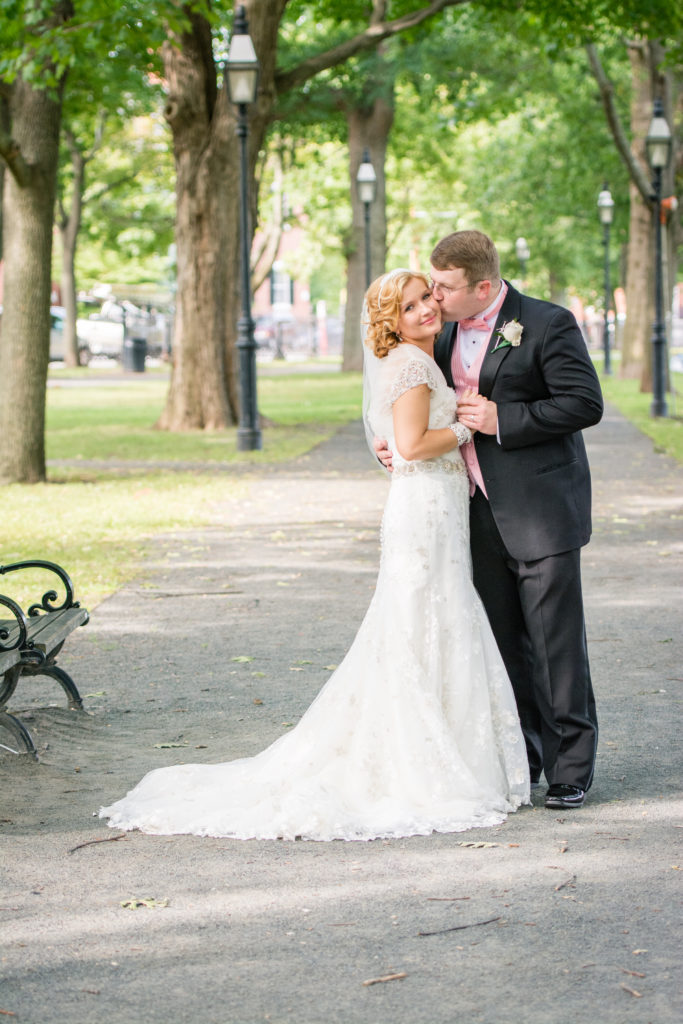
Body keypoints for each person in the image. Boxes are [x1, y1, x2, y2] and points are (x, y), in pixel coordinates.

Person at [99, 270, 529, 841]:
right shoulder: (411, 364)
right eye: (410, 306)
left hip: (438, 509)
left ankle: (440, 744)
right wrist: (468, 427)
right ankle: (417, 758)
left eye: (427, 296)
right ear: (391, 322)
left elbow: (396, 443)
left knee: (433, 619)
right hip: (424, 513)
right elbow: (412, 445)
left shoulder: (423, 358)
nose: (426, 308)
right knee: (420, 618)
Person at [376, 232, 603, 810]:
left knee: (555, 644)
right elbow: (413, 405)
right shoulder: (440, 330)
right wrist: (395, 447)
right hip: (467, 511)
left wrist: (508, 417)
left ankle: (570, 769)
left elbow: (584, 403)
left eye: (445, 288)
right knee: (499, 644)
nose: (435, 298)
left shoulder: (549, 323)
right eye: (431, 288)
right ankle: (520, 757)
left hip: (541, 509)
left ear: (483, 285)